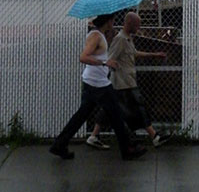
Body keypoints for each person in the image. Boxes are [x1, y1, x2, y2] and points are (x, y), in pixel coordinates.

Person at [49, 13, 146, 160]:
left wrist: (106, 59)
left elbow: (100, 54)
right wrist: (104, 63)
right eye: (112, 20)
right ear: (107, 21)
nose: (114, 22)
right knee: (116, 114)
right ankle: (127, 149)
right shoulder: (95, 36)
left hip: (93, 82)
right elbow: (83, 57)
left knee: (82, 116)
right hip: (98, 84)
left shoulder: (100, 35)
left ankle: (59, 144)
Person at [86, 11, 172, 150]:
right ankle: (154, 136)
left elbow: (134, 53)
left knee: (109, 109)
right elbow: (111, 57)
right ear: (130, 24)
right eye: (137, 25)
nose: (139, 28)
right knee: (139, 107)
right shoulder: (120, 39)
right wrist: (110, 68)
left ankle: (94, 136)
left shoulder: (127, 38)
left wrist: (154, 55)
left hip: (123, 82)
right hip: (124, 82)